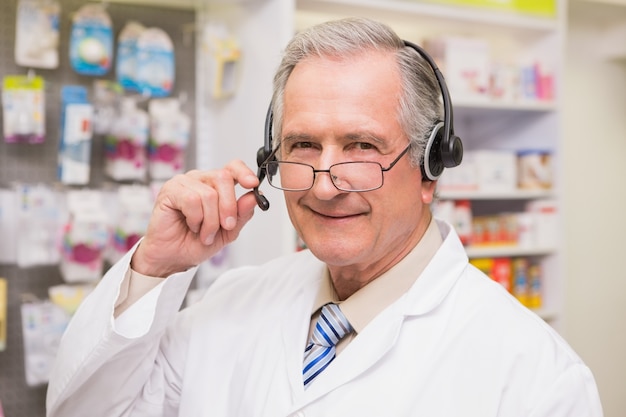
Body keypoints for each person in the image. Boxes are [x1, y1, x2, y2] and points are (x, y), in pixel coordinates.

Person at [46, 17, 602, 417]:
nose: (326, 180)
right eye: (304, 144)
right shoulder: (231, 302)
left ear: (430, 166)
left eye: (361, 145)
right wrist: (155, 267)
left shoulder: (534, 376)